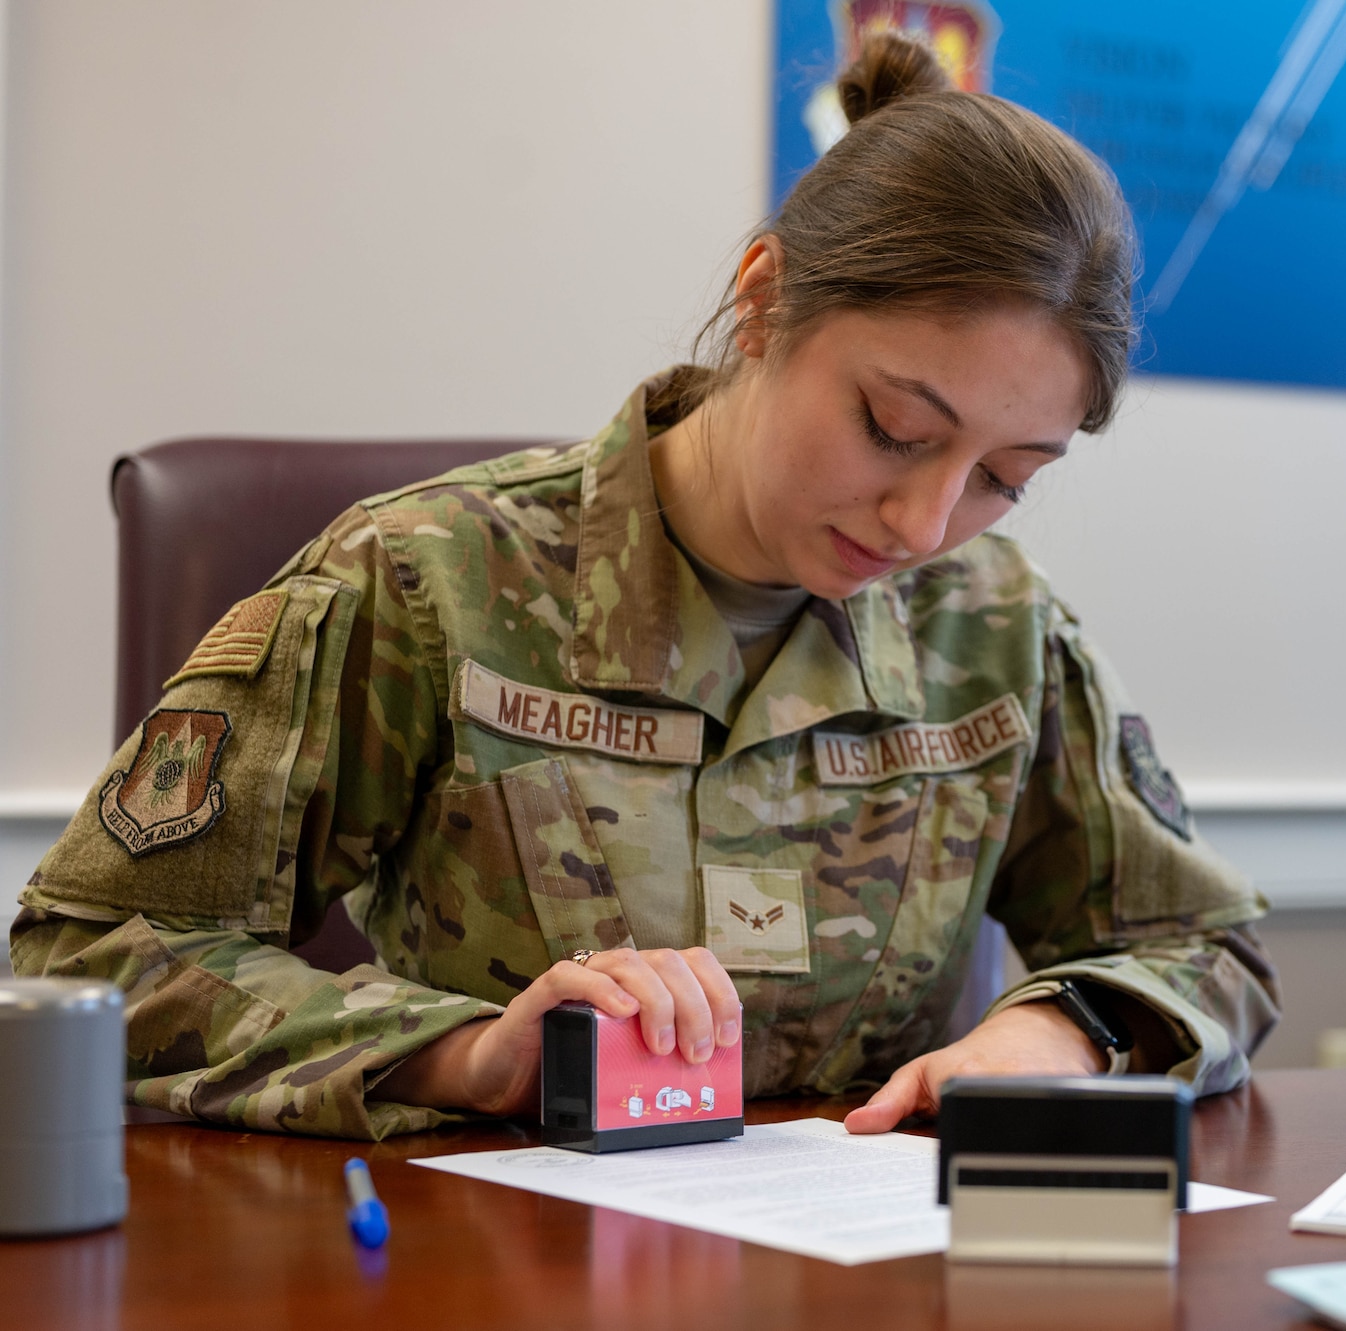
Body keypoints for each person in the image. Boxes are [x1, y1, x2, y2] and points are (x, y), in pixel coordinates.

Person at [9, 32, 1279, 1140]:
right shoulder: (425, 584)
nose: (924, 520)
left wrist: (1059, 1036)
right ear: (764, 302)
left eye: (1005, 473)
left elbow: (1200, 943)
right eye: (895, 426)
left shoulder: (995, 630)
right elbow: (91, 954)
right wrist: (469, 1054)